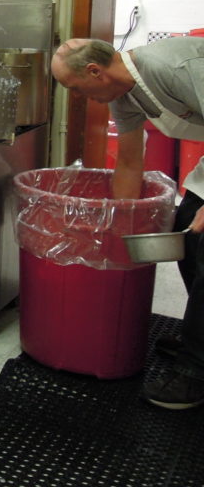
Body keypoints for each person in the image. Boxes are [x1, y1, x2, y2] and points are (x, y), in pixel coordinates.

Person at [52, 36, 204, 409]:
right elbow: (130, 161)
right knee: (188, 239)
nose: (80, 97)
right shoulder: (125, 94)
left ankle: (195, 372)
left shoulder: (171, 68)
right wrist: (118, 222)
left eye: (76, 88)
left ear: (94, 71)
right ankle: (199, 339)